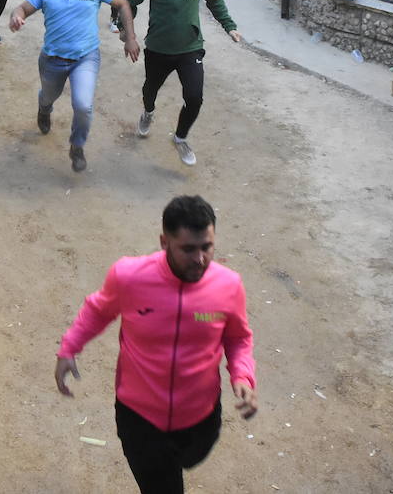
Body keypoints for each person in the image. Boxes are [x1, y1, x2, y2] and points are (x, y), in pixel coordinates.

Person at [55, 195, 257, 493]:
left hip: (201, 414)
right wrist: (69, 348)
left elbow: (238, 337)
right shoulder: (129, 277)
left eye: (207, 247)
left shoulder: (228, 286)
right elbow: (98, 310)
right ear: (164, 242)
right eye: (188, 249)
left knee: (190, 458)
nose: (200, 259)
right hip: (139, 417)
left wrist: (242, 375)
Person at [8, 0, 140, 172]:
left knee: (83, 105)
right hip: (52, 59)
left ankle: (77, 145)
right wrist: (16, 17)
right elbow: (22, 9)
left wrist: (130, 37)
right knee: (49, 96)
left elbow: (123, 4)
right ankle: (44, 109)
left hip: (85, 58)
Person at [124, 0, 241, 167]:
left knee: (195, 97)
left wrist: (229, 25)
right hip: (158, 48)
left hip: (190, 49)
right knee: (150, 90)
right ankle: (148, 112)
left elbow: (215, 0)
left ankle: (180, 137)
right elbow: (129, 3)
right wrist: (126, 31)